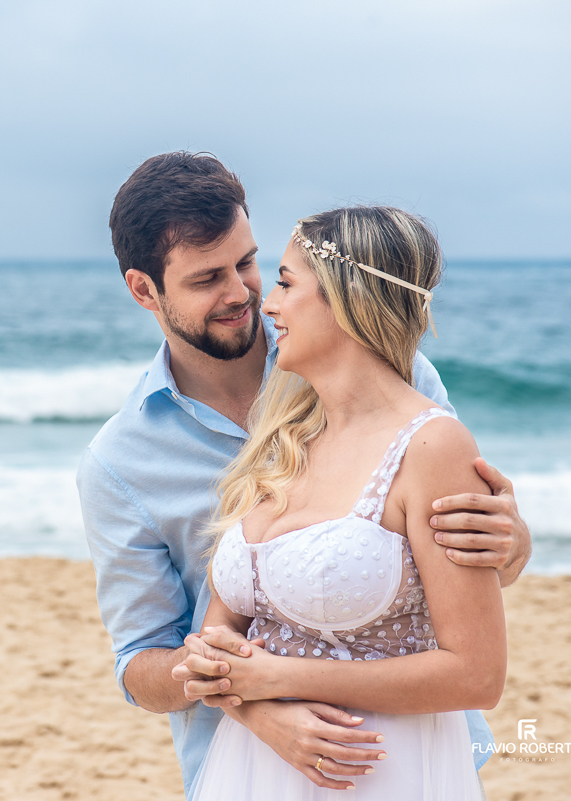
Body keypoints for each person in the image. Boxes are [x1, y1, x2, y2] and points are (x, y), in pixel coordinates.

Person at [76, 152, 531, 798]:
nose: (243, 294)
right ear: (144, 290)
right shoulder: (120, 463)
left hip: (402, 756)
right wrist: (254, 704)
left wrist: (511, 541)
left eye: (247, 263)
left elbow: (464, 577)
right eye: (207, 278)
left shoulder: (397, 381)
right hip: (240, 765)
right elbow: (142, 662)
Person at [180, 206, 503, 799]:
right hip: (254, 766)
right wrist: (253, 705)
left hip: (373, 770)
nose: (267, 305)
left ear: (347, 298)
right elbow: (215, 642)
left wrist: (277, 677)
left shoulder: (432, 446)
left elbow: (476, 674)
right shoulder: (282, 439)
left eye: (285, 283)